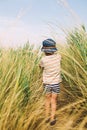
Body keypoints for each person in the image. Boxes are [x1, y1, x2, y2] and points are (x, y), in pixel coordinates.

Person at [39, 38, 61, 126]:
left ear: (44, 50)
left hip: (46, 83)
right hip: (56, 83)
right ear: (54, 49)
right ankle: (52, 119)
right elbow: (59, 57)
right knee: (54, 101)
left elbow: (40, 66)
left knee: (47, 100)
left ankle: (46, 117)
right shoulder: (58, 57)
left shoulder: (43, 60)